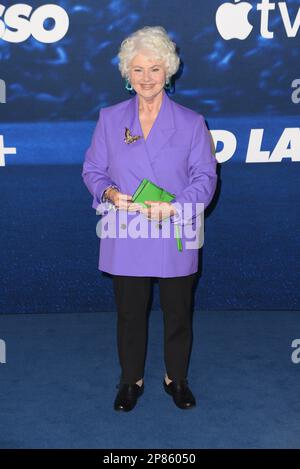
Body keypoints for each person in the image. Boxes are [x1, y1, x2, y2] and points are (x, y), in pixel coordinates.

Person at [82, 26, 217, 412]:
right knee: (129, 313)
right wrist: (109, 193)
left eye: (154, 69)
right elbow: (92, 170)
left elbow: (206, 178)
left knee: (178, 312)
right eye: (138, 69)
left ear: (169, 72)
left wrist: (175, 207)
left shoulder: (192, 123)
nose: (146, 78)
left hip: (176, 227)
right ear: (127, 73)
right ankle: (131, 380)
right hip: (127, 227)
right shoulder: (109, 119)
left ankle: (176, 378)